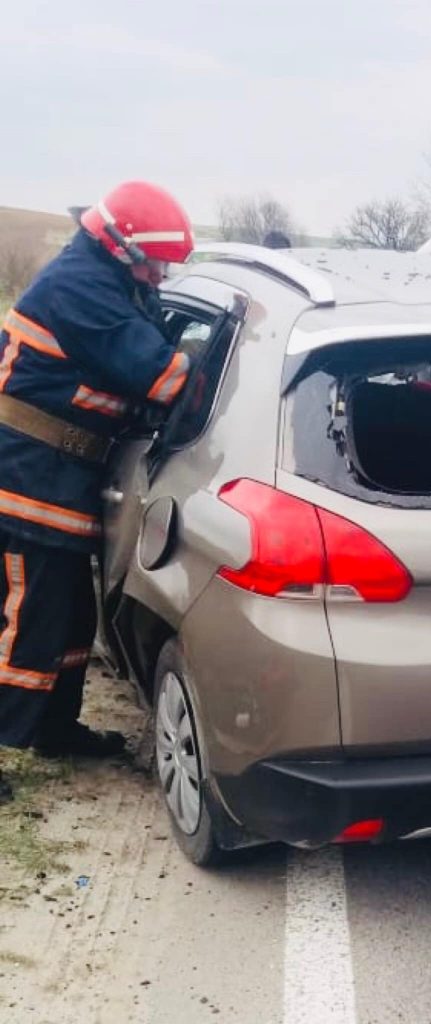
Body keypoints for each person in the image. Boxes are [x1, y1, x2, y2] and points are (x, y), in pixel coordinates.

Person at [0, 181, 193, 803]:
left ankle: (53, 729)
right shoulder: (82, 290)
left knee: (68, 618)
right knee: (24, 621)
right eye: (156, 262)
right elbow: (165, 380)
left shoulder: (111, 277)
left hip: (58, 475)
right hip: (24, 477)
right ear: (119, 244)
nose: (162, 276)